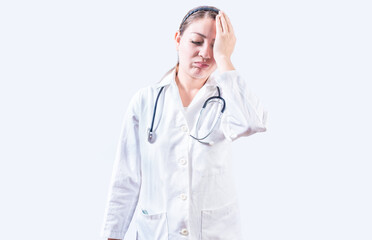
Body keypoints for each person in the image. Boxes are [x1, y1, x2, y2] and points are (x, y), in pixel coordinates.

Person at [101, 5, 267, 240]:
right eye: (197, 42)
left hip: (214, 233)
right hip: (157, 232)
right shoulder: (146, 100)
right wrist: (113, 236)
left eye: (214, 45)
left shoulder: (227, 96)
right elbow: (126, 178)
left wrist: (224, 58)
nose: (205, 54)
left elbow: (252, 123)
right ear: (178, 39)